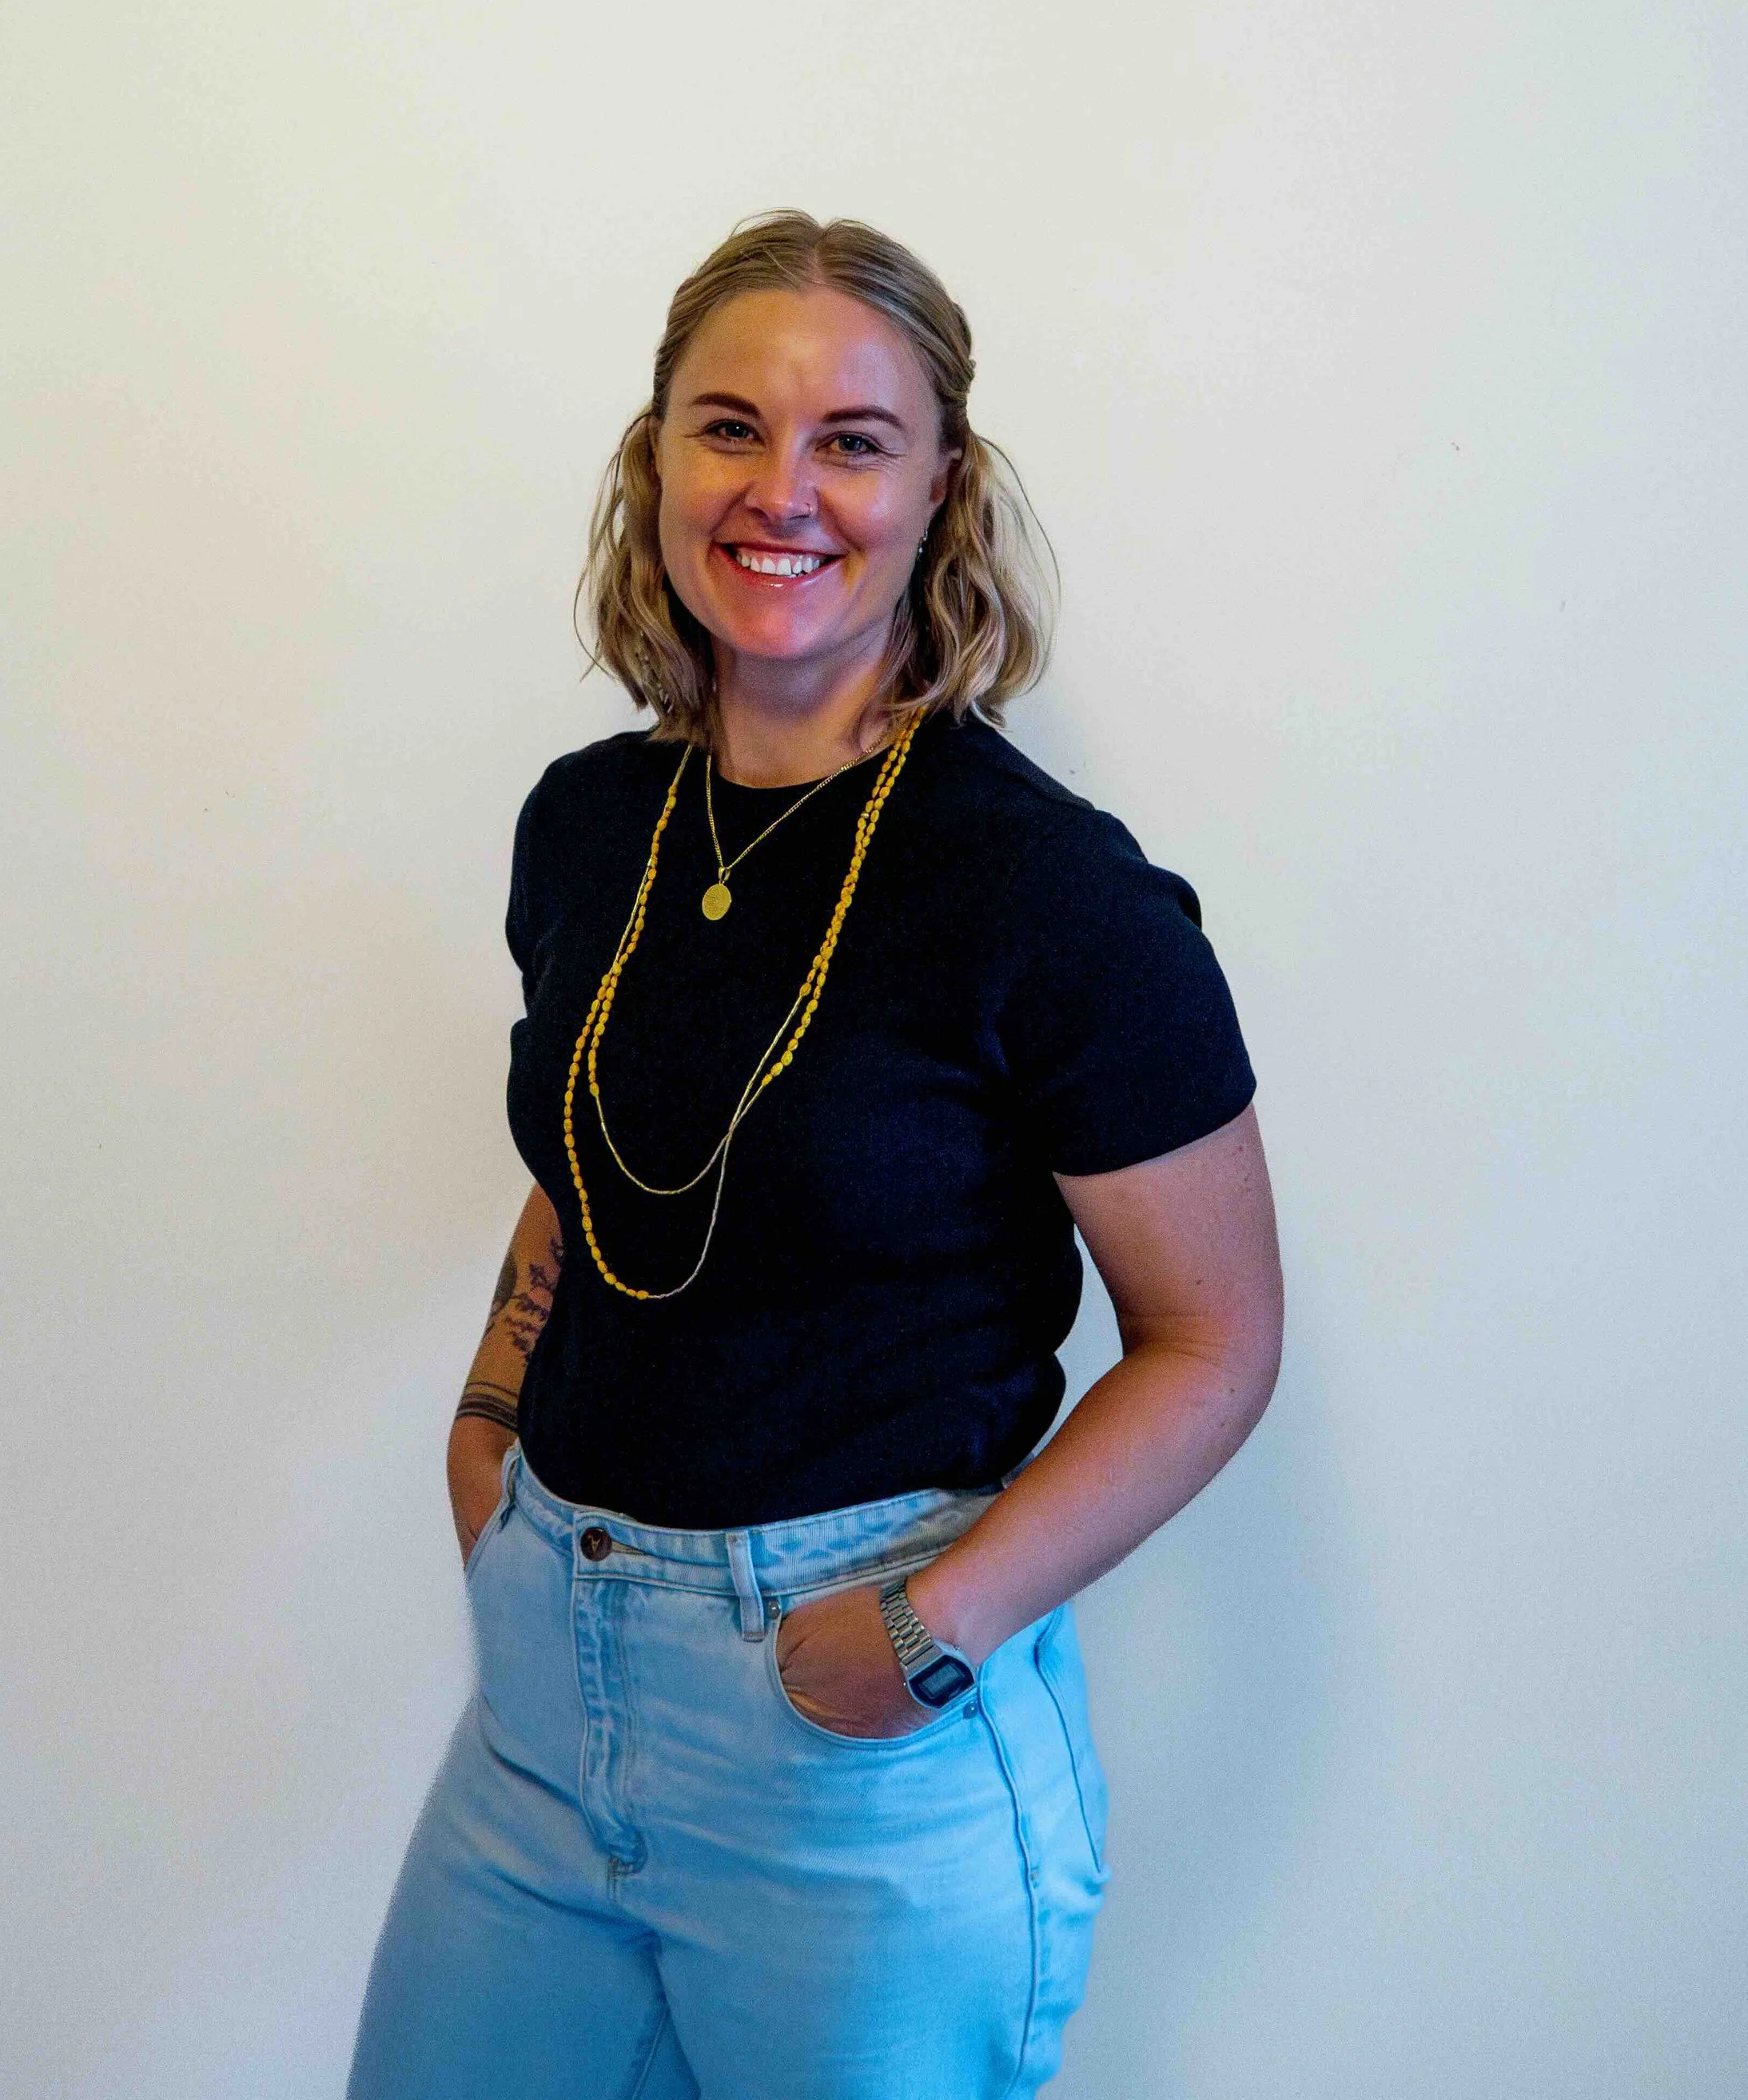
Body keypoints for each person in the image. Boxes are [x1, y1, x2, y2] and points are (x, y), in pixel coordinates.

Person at [346, 212, 1284, 2100]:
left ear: (941, 491)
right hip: (544, 1695)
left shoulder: (1047, 893)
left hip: (850, 1746)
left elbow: (1212, 1341)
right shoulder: (589, 819)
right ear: (656, 464)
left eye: (852, 438)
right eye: (726, 426)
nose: (783, 489)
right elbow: (612, 1140)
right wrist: (486, 1423)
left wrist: (924, 1636)